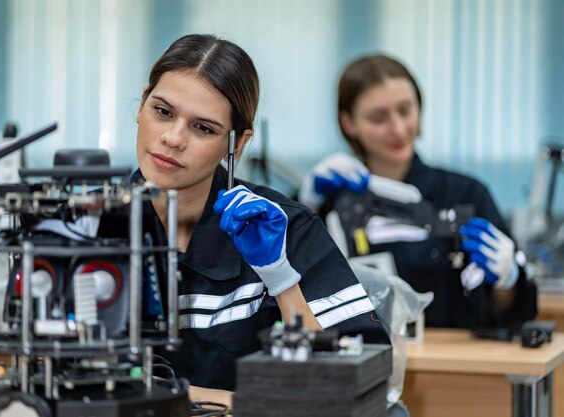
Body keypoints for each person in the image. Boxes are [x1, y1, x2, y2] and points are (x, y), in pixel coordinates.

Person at [99, 35, 389, 395]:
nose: (173, 138)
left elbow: (354, 383)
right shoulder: (84, 226)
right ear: (142, 104)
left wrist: (282, 281)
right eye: (163, 111)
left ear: (237, 143)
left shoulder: (283, 228)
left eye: (203, 128)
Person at [298, 54, 537, 330]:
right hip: (355, 361)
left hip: (451, 364)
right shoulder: (330, 200)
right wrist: (306, 206)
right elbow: (291, 289)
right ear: (349, 123)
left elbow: (509, 315)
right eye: (379, 117)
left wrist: (507, 281)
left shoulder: (465, 195)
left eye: (405, 110)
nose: (398, 128)